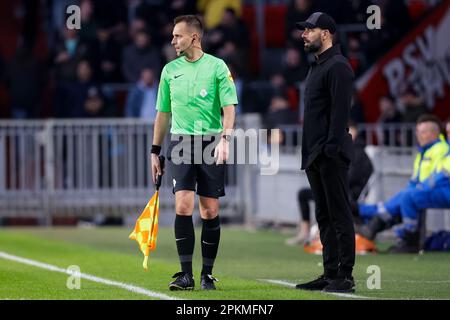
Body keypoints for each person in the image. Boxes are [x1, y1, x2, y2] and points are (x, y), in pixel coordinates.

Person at [150, 15, 237, 291]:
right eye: (173, 36)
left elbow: (229, 108)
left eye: (177, 36)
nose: (173, 40)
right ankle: (185, 275)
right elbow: (163, 113)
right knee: (183, 206)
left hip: (211, 142)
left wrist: (225, 139)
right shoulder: (169, 70)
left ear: (194, 38)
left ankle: (207, 274)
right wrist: (155, 150)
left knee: (209, 210)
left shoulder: (217, 67)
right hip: (181, 143)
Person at [295, 12, 356, 293]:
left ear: (326, 34)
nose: (303, 34)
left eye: (309, 30)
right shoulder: (318, 66)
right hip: (315, 155)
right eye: (304, 30)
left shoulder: (339, 67)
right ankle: (330, 272)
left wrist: (330, 149)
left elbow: (340, 113)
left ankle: (346, 276)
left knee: (339, 215)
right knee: (324, 216)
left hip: (330, 154)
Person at [358, 115, 449, 246]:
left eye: (422, 132)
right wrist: (415, 188)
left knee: (408, 197)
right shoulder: (424, 152)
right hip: (430, 190)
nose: (418, 135)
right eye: (418, 132)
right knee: (405, 195)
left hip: (440, 191)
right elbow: (417, 179)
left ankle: (405, 235)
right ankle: (371, 221)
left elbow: (440, 177)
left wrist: (419, 189)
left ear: (434, 133)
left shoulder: (441, 149)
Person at [286, 121, 373, 245]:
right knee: (304, 194)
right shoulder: (347, 150)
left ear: (354, 131)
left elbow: (350, 179)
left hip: (346, 194)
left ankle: (320, 235)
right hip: (335, 189)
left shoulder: (358, 154)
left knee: (319, 197)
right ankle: (305, 232)